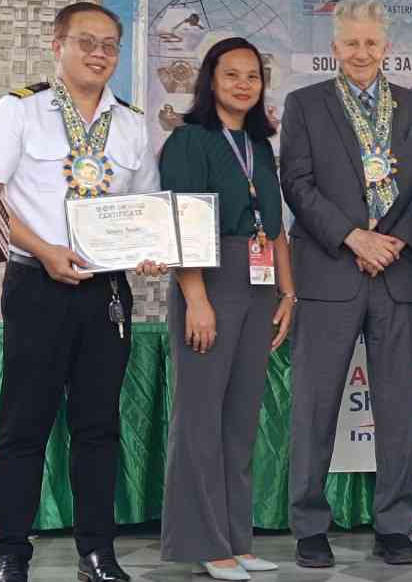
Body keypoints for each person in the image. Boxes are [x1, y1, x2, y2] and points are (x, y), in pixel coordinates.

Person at [0, 2, 167, 582]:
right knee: (23, 425)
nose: (99, 54)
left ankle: (97, 553)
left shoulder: (131, 123)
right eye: (86, 41)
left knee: (98, 427)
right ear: (57, 45)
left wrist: (149, 250)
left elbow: (145, 207)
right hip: (37, 283)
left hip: (105, 292)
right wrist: (42, 249)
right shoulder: (20, 110)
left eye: (110, 45)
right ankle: (11, 554)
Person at [278, 0, 412, 568]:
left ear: (386, 48)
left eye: (371, 43)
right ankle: (309, 526)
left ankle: (395, 524)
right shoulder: (305, 105)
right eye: (351, 43)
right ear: (334, 48)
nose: (361, 53)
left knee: (398, 406)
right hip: (329, 272)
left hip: (396, 274)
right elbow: (296, 184)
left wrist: (392, 242)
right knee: (314, 406)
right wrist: (354, 238)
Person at [157, 38, 296, 580]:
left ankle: (238, 539)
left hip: (259, 285)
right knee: (200, 418)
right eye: (231, 74)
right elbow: (180, 221)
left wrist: (288, 293)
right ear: (210, 80)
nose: (243, 84)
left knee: (240, 419)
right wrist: (196, 299)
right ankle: (203, 542)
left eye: (252, 76)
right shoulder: (189, 141)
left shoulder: (259, 145)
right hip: (209, 279)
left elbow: (275, 227)